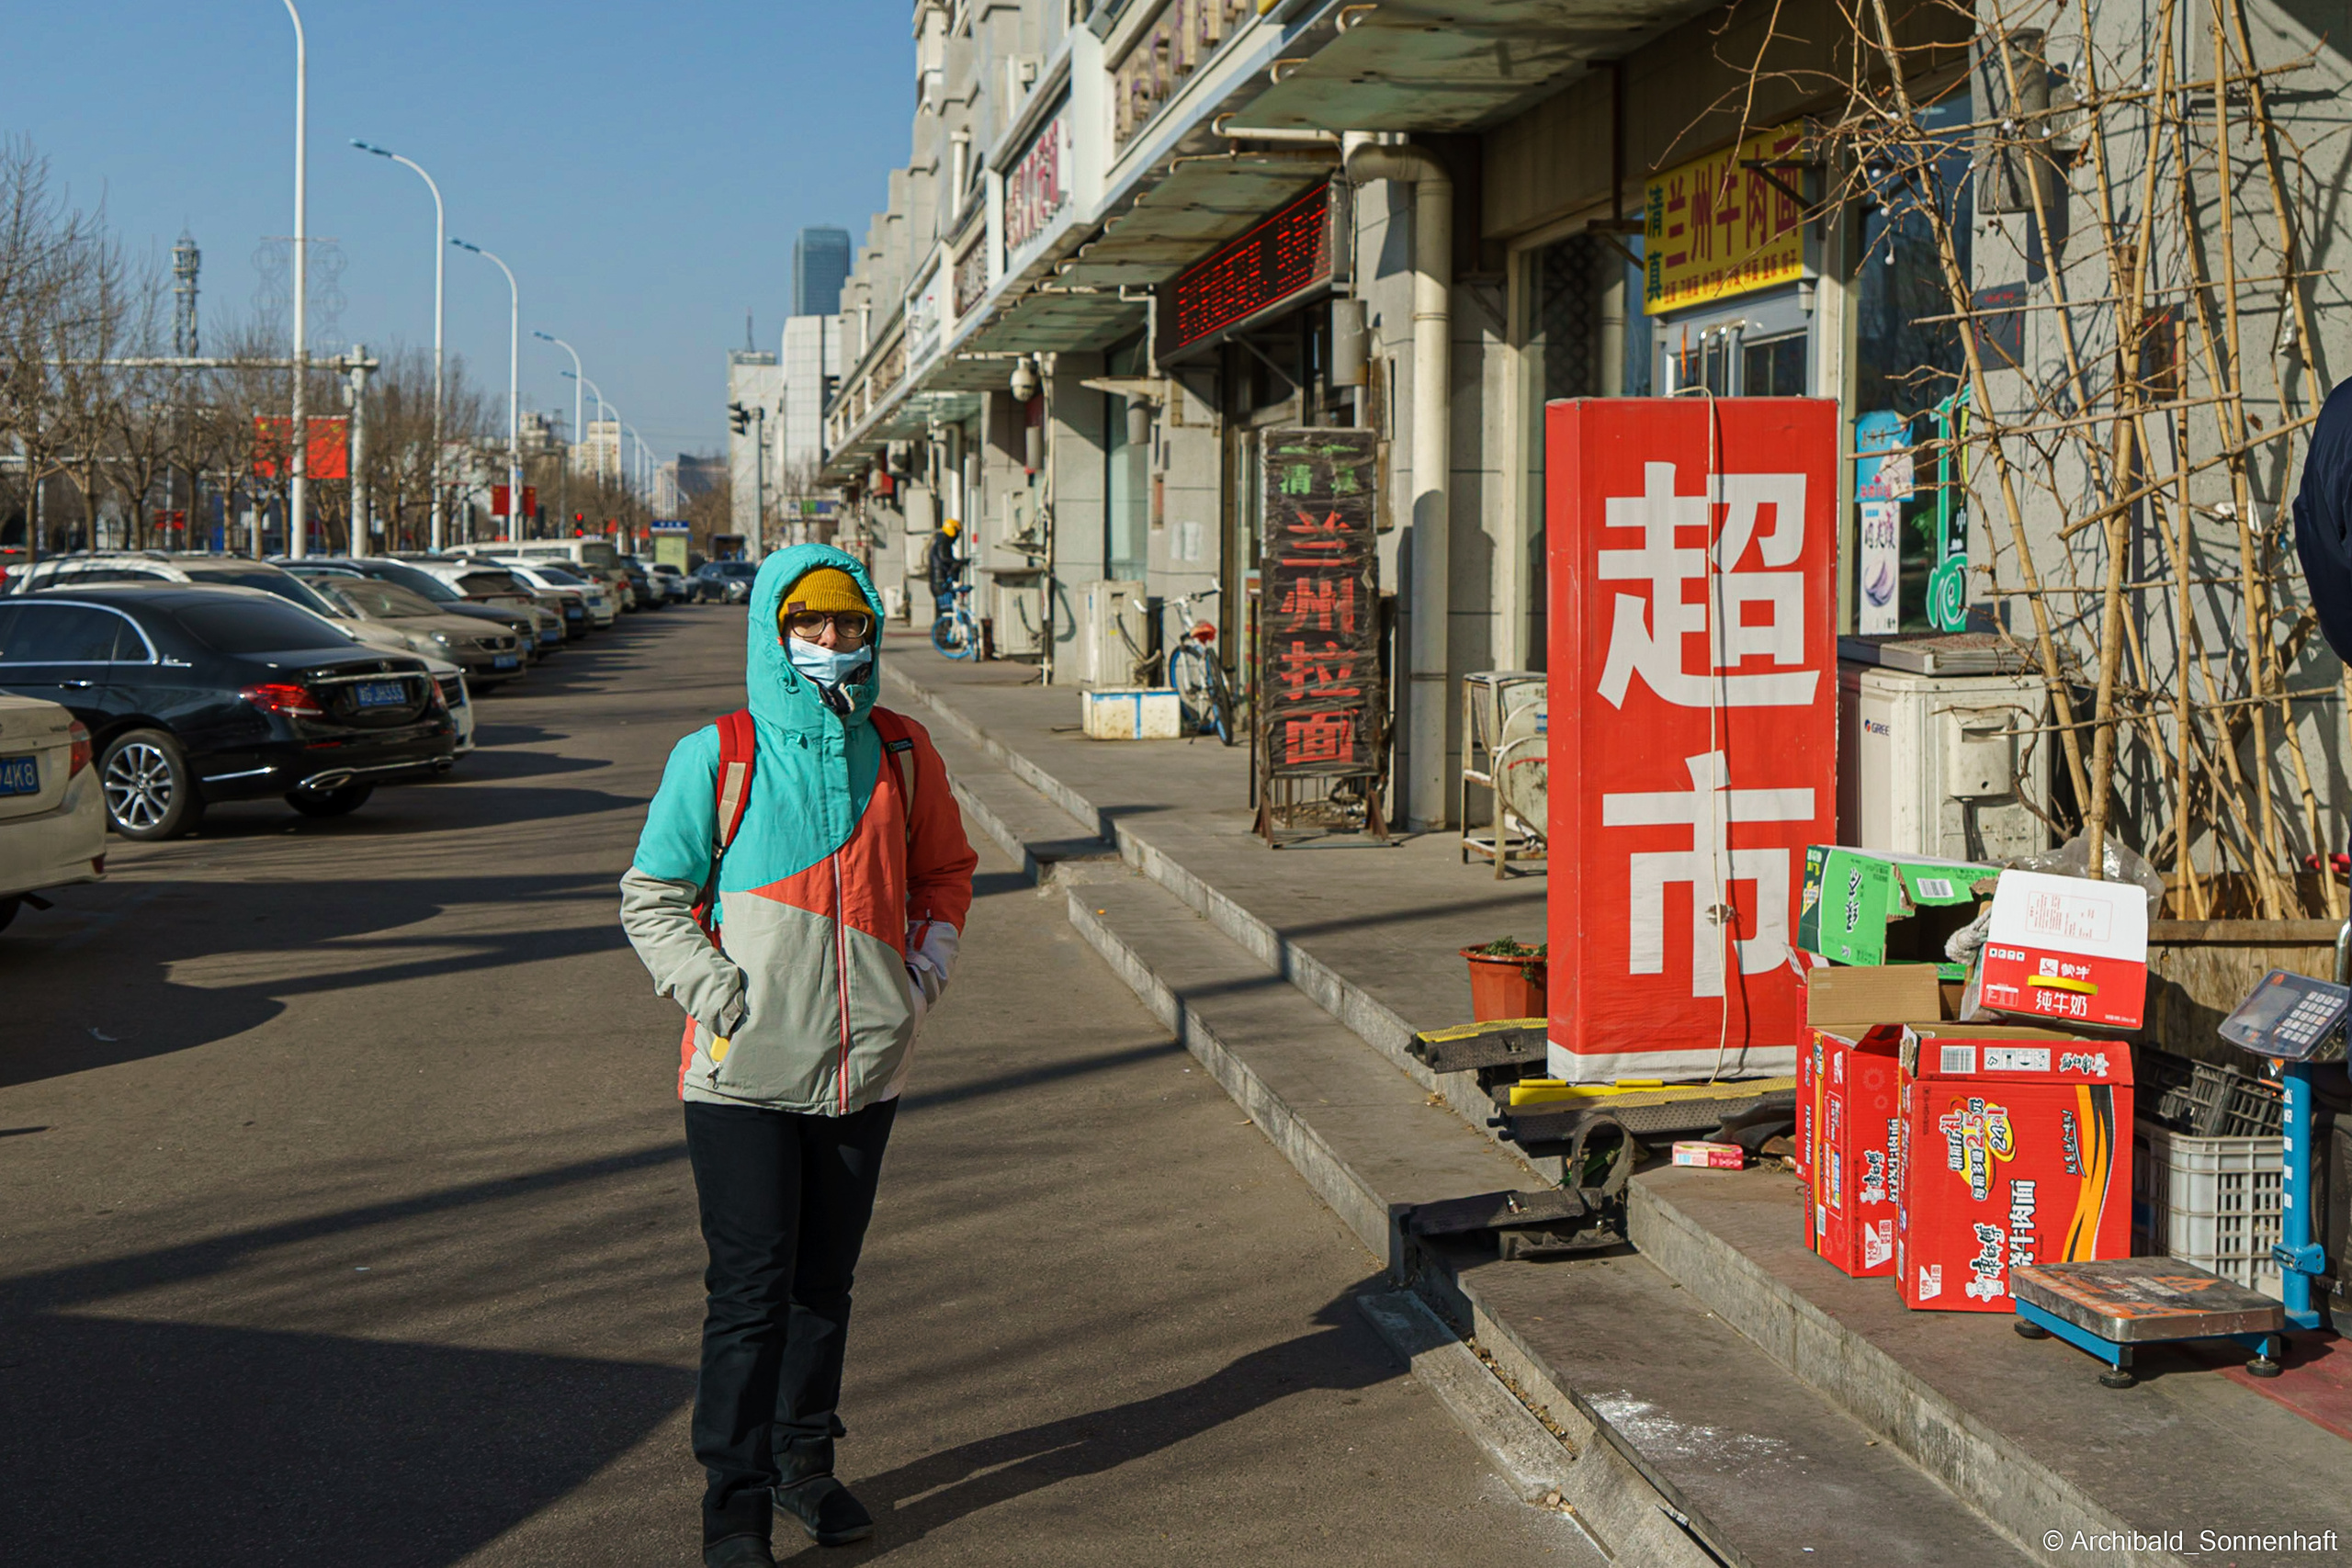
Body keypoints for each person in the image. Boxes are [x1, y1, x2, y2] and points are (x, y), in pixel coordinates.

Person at [621, 545, 978, 1566]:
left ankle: (803, 1467)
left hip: (863, 1069)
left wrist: (918, 981)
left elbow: (947, 872)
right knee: (747, 1291)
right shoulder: (718, 753)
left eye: (847, 625)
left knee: (825, 1284)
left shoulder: (904, 751)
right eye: (809, 625)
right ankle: (731, 1498)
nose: (829, 643)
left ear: (869, 631)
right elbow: (652, 898)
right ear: (774, 630)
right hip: (738, 1076)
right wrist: (718, 992)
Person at [925, 518, 966, 621]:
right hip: (940, 581)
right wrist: (958, 562)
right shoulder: (943, 542)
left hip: (939, 581)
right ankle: (944, 632)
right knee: (946, 611)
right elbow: (944, 558)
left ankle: (944, 630)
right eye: (957, 532)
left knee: (945, 610)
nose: (957, 536)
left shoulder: (941, 540)